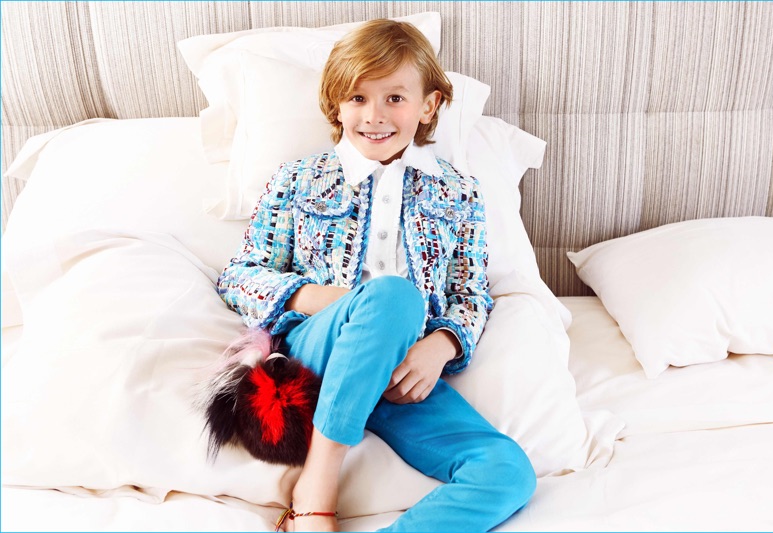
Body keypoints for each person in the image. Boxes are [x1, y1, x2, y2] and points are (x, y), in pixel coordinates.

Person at [217, 18, 536, 532]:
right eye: (358, 98)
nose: (374, 115)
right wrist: (321, 298)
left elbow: (471, 293)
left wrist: (441, 347)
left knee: (508, 473)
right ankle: (316, 487)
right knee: (394, 296)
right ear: (336, 104)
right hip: (319, 355)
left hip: (401, 372)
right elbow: (239, 277)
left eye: (395, 98)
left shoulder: (459, 192)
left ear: (428, 105)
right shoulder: (298, 179)